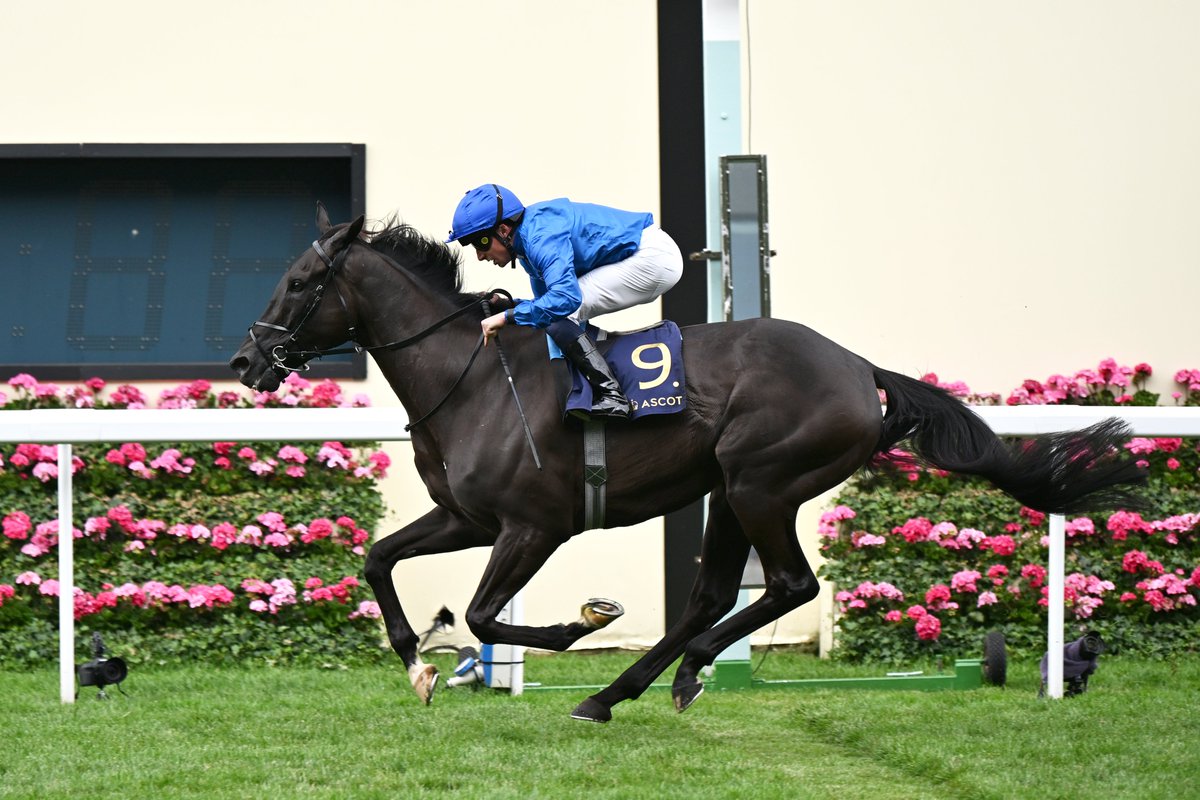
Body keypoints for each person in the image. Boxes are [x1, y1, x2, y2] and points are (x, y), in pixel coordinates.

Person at [446, 184, 684, 420]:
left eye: (481, 243)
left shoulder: (540, 237)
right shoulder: (528, 243)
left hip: (652, 258)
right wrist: (509, 306)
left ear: (504, 229)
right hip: (647, 255)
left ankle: (612, 395)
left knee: (560, 312)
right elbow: (544, 304)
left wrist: (506, 317)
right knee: (553, 314)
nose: (479, 255)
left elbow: (564, 300)